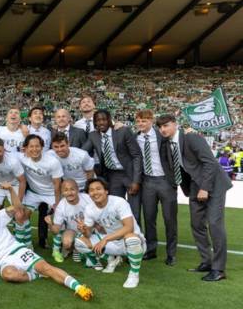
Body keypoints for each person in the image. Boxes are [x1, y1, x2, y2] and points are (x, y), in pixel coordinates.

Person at [0, 184, 93, 301]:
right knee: (9, 275)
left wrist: (12, 190)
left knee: (47, 268)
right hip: (3, 263)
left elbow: (18, 208)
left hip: (18, 251)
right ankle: (35, 274)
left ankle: (79, 287)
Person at [156, 114, 232, 281]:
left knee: (214, 223)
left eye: (166, 125)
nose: (163, 129)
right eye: (160, 127)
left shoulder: (191, 138)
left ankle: (219, 270)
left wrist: (205, 188)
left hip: (214, 184)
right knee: (197, 224)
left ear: (175, 125)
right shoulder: (168, 144)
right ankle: (206, 262)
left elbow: (210, 163)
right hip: (195, 186)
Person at [75, 178, 146, 288]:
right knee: (80, 242)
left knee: (131, 237)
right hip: (112, 242)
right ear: (89, 194)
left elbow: (129, 227)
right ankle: (111, 259)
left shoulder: (119, 202)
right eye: (91, 190)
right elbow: (88, 235)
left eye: (98, 189)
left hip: (133, 242)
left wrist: (105, 239)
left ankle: (134, 274)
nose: (95, 192)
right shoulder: (89, 208)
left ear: (106, 191)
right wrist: (84, 230)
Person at [134, 110, 177, 265]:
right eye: (138, 121)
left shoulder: (162, 135)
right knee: (149, 218)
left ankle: (171, 254)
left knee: (169, 219)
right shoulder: (135, 138)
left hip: (165, 181)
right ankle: (151, 250)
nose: (140, 124)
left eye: (144, 121)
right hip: (147, 182)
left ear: (151, 121)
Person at [85, 109, 142, 223]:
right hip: (113, 176)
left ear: (109, 120)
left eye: (104, 119)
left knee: (134, 213)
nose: (101, 123)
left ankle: (137, 239)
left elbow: (136, 155)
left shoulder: (123, 131)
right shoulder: (93, 136)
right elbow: (82, 152)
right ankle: (120, 239)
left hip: (129, 174)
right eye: (98, 120)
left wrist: (136, 180)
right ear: (95, 123)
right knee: (115, 211)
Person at [18, 134, 63, 248]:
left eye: (37, 146)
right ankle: (27, 245)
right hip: (34, 193)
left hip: (51, 194)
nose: (34, 149)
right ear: (26, 148)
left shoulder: (52, 162)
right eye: (31, 147)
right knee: (22, 216)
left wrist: (57, 204)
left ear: (42, 147)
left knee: (59, 220)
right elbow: (5, 154)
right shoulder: (21, 157)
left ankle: (59, 248)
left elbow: (57, 185)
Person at [44, 179, 92, 263]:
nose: (69, 193)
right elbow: (56, 231)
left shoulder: (87, 198)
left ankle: (80, 248)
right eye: (66, 190)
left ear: (77, 190)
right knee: (66, 243)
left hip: (89, 228)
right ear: (62, 192)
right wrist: (50, 224)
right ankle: (74, 248)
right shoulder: (61, 207)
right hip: (72, 230)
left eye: (72, 189)